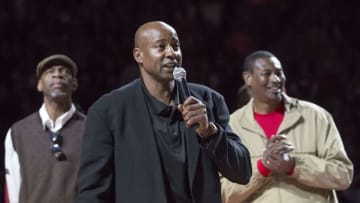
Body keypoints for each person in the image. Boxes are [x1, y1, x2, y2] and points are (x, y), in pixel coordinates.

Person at [76, 21, 252, 203]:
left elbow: (243, 172)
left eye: (175, 46)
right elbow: (92, 193)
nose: (171, 53)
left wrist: (210, 133)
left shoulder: (209, 101)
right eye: (160, 47)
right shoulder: (108, 111)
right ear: (139, 55)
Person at [220, 50, 353, 203]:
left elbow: (343, 175)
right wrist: (262, 168)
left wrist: (293, 165)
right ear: (248, 78)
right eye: (267, 73)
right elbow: (222, 193)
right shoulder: (232, 126)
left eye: (279, 73)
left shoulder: (316, 116)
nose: (276, 79)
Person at [4, 54, 86, 203]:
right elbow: (12, 188)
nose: (57, 74)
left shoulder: (92, 129)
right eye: (50, 71)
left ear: (74, 84)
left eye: (63, 71)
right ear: (39, 85)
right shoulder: (18, 133)